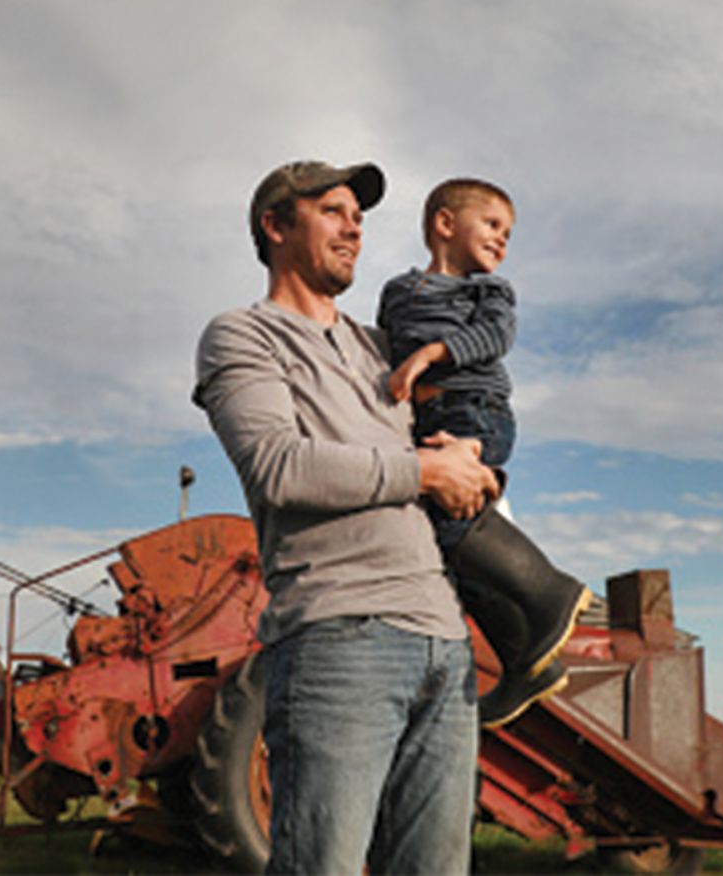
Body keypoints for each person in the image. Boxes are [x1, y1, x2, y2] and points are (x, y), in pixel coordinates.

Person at [193, 160, 497, 875]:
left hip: (442, 642)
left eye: (359, 214)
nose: (354, 225)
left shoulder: (377, 348)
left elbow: (452, 435)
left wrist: (468, 456)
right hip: (340, 642)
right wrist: (425, 472)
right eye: (332, 210)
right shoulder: (242, 336)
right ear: (275, 227)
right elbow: (279, 465)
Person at [377, 178, 592, 729]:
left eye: (508, 233)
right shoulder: (398, 293)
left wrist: (432, 353)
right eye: (493, 225)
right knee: (438, 542)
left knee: (450, 522)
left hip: (476, 410)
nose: (502, 241)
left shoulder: (489, 294)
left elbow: (496, 338)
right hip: (428, 422)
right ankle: (526, 658)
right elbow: (383, 356)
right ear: (446, 224)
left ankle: (547, 593)